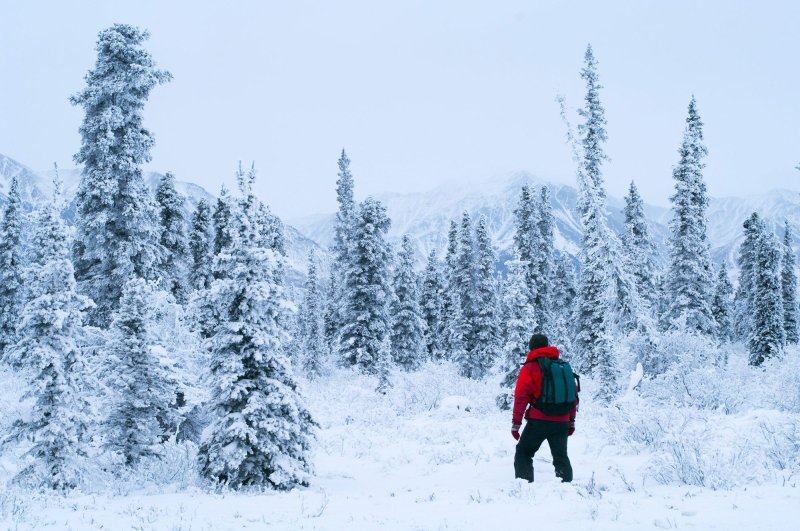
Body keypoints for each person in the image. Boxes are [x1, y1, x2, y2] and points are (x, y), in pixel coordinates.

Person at [511, 333, 577, 483]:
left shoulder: (531, 367)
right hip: (562, 421)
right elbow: (573, 395)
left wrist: (516, 424)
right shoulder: (562, 367)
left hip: (539, 421)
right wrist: (571, 421)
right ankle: (567, 492)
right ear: (547, 346)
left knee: (524, 452)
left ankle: (524, 488)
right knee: (561, 457)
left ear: (531, 348)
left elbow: (521, 397)